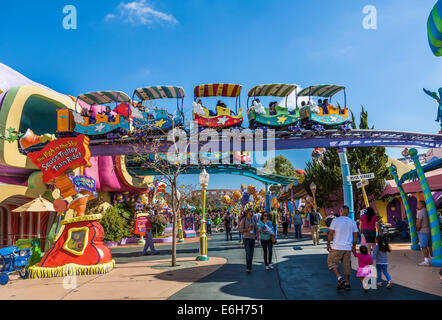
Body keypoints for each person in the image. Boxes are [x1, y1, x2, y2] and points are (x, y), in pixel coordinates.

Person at [326, 205, 359, 291]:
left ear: (341, 211)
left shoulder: (335, 220)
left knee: (331, 261)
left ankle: (339, 278)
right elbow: (355, 235)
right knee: (346, 266)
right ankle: (347, 283)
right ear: (348, 213)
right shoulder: (352, 222)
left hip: (337, 247)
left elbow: (330, 233)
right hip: (347, 248)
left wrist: (328, 243)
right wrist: (354, 245)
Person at [416, 200, 433, 266]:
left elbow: (418, 223)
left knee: (423, 246)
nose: (417, 205)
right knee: (430, 246)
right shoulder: (428, 211)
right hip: (430, 231)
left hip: (423, 231)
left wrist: (417, 230)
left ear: (422, 205)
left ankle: (426, 261)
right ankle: (432, 259)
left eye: (418, 204)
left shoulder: (420, 212)